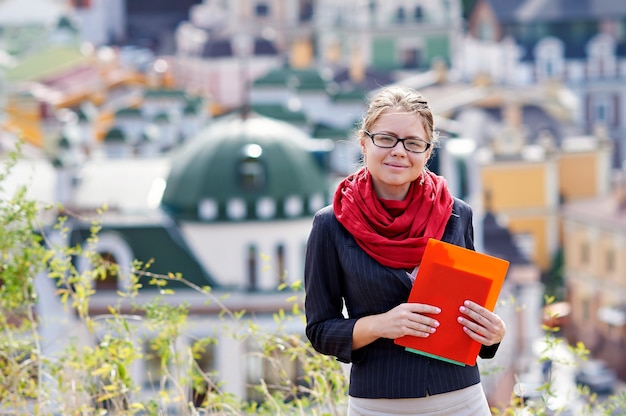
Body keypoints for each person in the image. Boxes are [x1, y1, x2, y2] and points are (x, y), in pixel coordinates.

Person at [304, 85, 506, 416]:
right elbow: (320, 331)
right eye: (386, 138)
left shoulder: (458, 214)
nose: (399, 151)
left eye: (413, 143)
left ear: (428, 152)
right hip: (379, 405)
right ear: (364, 142)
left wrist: (493, 334)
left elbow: (470, 316)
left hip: (462, 399)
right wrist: (381, 324)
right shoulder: (331, 224)